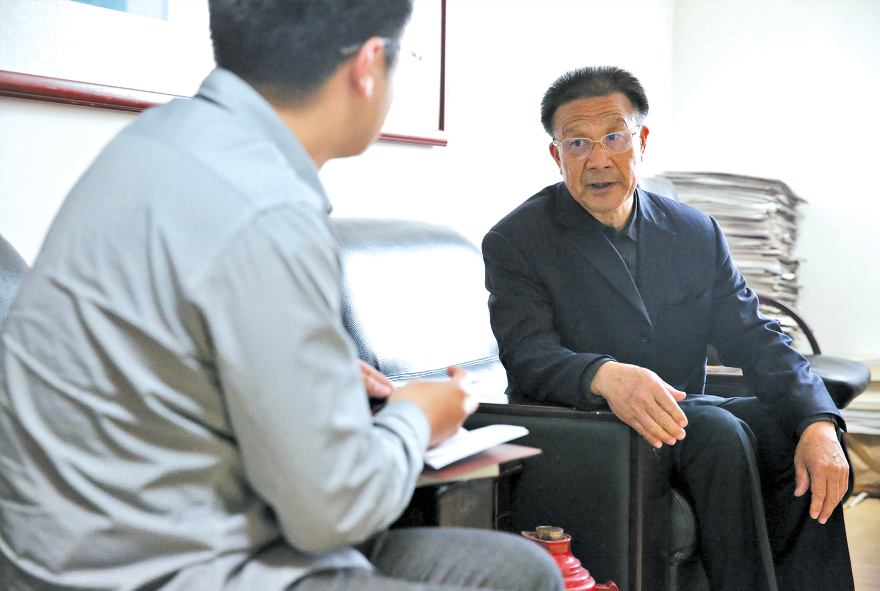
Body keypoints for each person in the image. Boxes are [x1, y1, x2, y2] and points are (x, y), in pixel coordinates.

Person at [0, 2, 564, 590]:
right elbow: (335, 511)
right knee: (524, 577)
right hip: (159, 570)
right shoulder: (266, 210)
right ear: (368, 65)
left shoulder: (156, 141)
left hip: (83, 545)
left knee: (516, 569)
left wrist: (316, 376)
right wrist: (418, 418)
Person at [482, 65, 853, 591]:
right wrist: (604, 376)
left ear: (641, 141)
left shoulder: (693, 231)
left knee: (797, 432)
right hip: (583, 425)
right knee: (717, 432)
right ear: (556, 155)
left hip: (681, 415)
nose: (598, 159)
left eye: (614, 137)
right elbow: (527, 354)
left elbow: (754, 335)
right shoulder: (518, 239)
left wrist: (817, 419)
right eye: (578, 143)